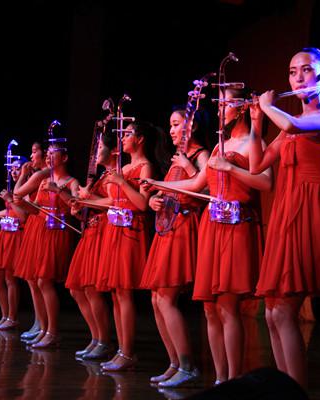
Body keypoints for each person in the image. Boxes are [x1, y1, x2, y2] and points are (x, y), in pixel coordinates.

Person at [145, 87, 272, 384]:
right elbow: (196, 184)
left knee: (228, 306)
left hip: (237, 227)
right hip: (212, 228)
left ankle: (233, 380)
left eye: (225, 104)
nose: (219, 110)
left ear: (242, 107)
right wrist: (158, 186)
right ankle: (220, 379)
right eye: (219, 104)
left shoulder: (253, 141)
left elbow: (266, 183)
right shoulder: (218, 146)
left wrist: (230, 168)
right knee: (210, 308)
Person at [250, 47, 320, 386]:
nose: (297, 78)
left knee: (284, 310)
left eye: (305, 69)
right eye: (292, 72)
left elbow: (294, 125)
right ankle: (285, 388)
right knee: (271, 311)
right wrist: (256, 122)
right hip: (286, 210)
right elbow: (257, 165)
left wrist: (268, 107)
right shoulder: (284, 128)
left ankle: (295, 390)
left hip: (311, 209)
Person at [140, 108, 209, 387]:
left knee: (167, 298)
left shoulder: (201, 155)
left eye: (176, 124)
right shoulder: (175, 159)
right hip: (166, 229)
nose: (171, 130)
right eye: (170, 125)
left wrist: (189, 167)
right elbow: (166, 191)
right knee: (156, 299)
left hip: (183, 227)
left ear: (192, 126)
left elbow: (207, 190)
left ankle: (187, 365)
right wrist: (154, 200)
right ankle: (174, 363)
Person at [96, 121, 167, 371]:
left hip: (131, 232)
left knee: (125, 292)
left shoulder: (145, 167)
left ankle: (128, 352)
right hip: (114, 231)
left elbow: (142, 204)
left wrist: (122, 182)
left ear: (140, 139)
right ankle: (120, 350)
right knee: (115, 293)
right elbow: (113, 200)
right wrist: (85, 201)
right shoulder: (124, 167)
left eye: (127, 134)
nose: (123, 137)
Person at [15, 143, 79, 348]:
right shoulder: (43, 179)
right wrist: (23, 203)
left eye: (54, 154)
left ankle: (52, 331)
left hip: (57, 233)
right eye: (48, 154)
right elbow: (33, 207)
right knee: (37, 280)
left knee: (44, 281)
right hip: (41, 230)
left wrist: (58, 191)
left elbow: (76, 207)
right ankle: (43, 329)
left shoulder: (72, 181)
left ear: (64, 158)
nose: (49, 157)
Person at [0, 142, 47, 332]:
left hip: (17, 236)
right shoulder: (16, 189)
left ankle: (12, 317)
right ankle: (5, 316)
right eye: (12, 169)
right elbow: (9, 211)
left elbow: (22, 215)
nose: (14, 172)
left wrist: (10, 199)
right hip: (5, 235)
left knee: (11, 278)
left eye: (18, 168)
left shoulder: (26, 189)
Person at [65, 132, 117, 360]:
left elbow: (114, 202)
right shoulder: (102, 176)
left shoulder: (114, 175)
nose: (96, 152)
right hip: (90, 231)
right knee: (76, 289)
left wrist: (86, 199)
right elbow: (93, 207)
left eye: (100, 147)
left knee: (90, 288)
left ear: (113, 151)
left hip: (102, 232)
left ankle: (104, 340)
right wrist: (79, 209)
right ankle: (96, 338)